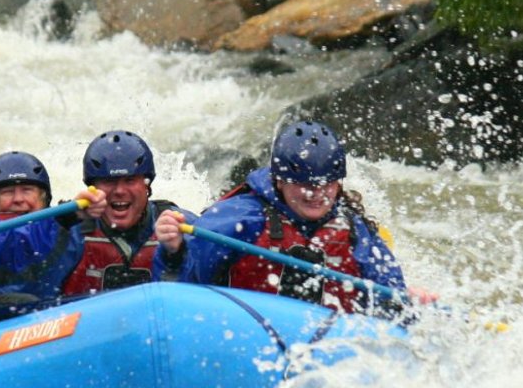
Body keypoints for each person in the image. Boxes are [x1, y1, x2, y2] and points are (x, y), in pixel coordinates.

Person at [154, 119, 408, 312]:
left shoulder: (354, 230)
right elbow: (181, 288)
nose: (315, 194)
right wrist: (174, 252)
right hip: (246, 337)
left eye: (326, 184)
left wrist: (404, 301)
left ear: (338, 183)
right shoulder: (239, 217)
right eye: (303, 184)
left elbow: (391, 298)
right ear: (279, 181)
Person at [0, 129, 175, 299]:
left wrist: (177, 254)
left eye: (130, 180)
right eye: (108, 182)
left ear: (147, 185)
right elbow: (26, 286)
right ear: (93, 188)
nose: (119, 190)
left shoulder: (175, 223)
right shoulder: (68, 232)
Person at [0, 151, 52, 219]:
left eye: (27, 190)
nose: (18, 199)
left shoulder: (60, 226)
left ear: (44, 199)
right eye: (8, 191)